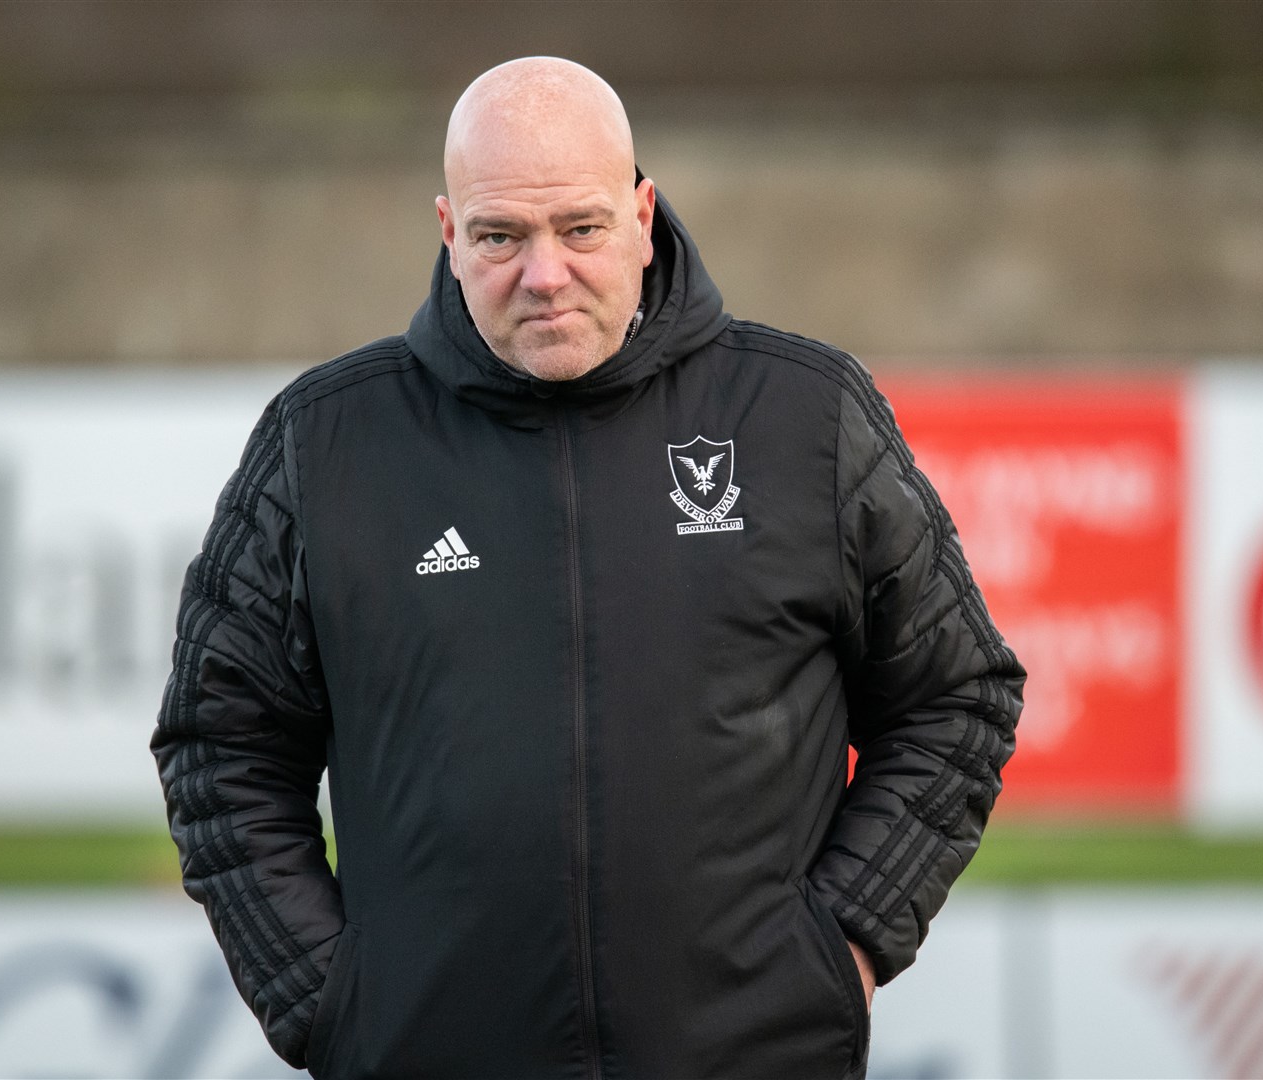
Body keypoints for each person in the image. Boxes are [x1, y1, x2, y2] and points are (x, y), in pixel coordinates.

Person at [151, 56, 1024, 1080]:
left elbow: (957, 697)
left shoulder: (805, 418)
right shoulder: (326, 442)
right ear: (447, 232)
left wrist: (843, 945)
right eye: (500, 237)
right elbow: (220, 744)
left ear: (643, 214)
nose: (544, 273)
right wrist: (331, 1000)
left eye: (581, 228)